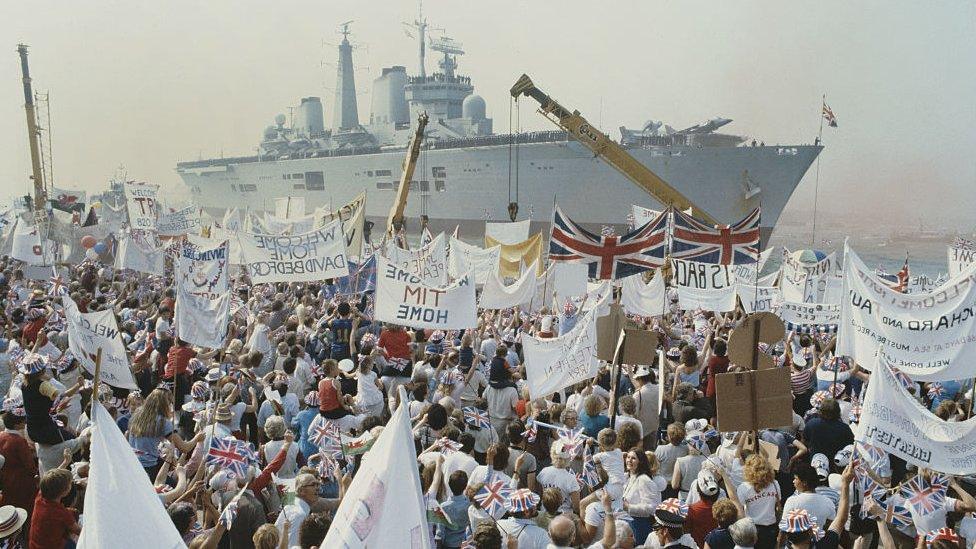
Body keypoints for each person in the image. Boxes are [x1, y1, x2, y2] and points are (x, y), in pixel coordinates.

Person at [128, 388, 202, 478]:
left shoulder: (136, 414)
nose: (171, 405)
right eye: (170, 402)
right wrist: (197, 438)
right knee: (174, 485)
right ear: (165, 404)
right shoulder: (162, 422)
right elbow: (184, 448)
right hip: (148, 466)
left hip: (131, 463)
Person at [778, 463, 854, 549]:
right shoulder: (828, 502)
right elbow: (839, 521)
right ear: (810, 531)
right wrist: (845, 483)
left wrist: (778, 545)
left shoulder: (791, 501)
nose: (793, 481)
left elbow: (782, 532)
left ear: (804, 483)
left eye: (795, 478)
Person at [736, 454, 781, 549]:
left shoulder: (743, 488)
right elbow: (778, 506)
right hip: (772, 528)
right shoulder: (775, 484)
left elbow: (740, 511)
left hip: (753, 530)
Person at [29, 469, 80, 549]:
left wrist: (65, 462)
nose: (71, 483)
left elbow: (50, 481)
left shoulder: (39, 498)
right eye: (70, 483)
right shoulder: (61, 513)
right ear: (64, 492)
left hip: (34, 544)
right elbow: (79, 531)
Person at [0, 410, 38, 514]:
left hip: (5, 481)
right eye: (22, 421)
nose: (25, 423)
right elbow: (30, 466)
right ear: (16, 425)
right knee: (26, 510)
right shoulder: (19, 441)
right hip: (21, 482)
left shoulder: (1, 436)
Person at [621, 449, 662, 544]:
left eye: (633, 458)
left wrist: (629, 507)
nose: (629, 460)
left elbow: (652, 507)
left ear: (640, 462)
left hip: (639, 525)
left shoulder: (644, 480)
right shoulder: (628, 476)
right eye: (628, 457)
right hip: (627, 522)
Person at [802, 399, 853, 465]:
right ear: (838, 411)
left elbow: (804, 441)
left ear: (821, 411)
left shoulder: (811, 423)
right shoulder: (844, 428)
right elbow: (849, 446)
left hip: (816, 462)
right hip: (836, 464)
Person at [536, 441, 581, 514]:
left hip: (545, 513)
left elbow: (540, 493)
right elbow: (576, 507)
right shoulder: (571, 478)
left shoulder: (543, 472)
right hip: (564, 516)